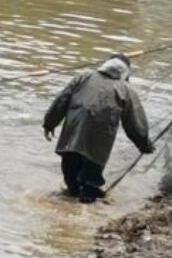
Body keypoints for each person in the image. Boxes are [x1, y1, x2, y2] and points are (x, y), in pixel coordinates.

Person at [43, 53, 153, 203]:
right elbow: (134, 122)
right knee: (89, 188)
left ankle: (69, 208)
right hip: (98, 146)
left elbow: (61, 100)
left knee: (71, 182)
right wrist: (144, 144)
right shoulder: (126, 89)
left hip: (71, 138)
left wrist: (49, 123)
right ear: (125, 73)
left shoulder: (83, 77)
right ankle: (84, 214)